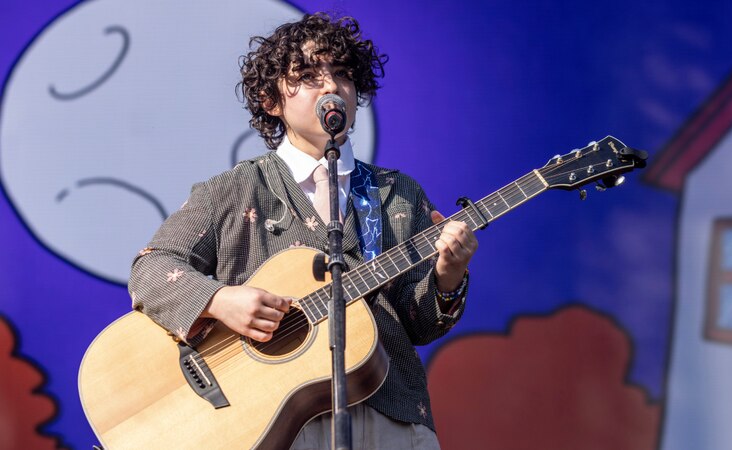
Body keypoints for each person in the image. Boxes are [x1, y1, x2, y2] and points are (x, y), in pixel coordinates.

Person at [129, 12, 477, 450]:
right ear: (271, 101)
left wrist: (448, 274)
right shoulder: (234, 190)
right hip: (272, 423)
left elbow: (418, 323)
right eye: (309, 75)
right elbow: (151, 269)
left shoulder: (399, 193)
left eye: (343, 75)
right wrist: (221, 300)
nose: (331, 87)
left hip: (392, 416)